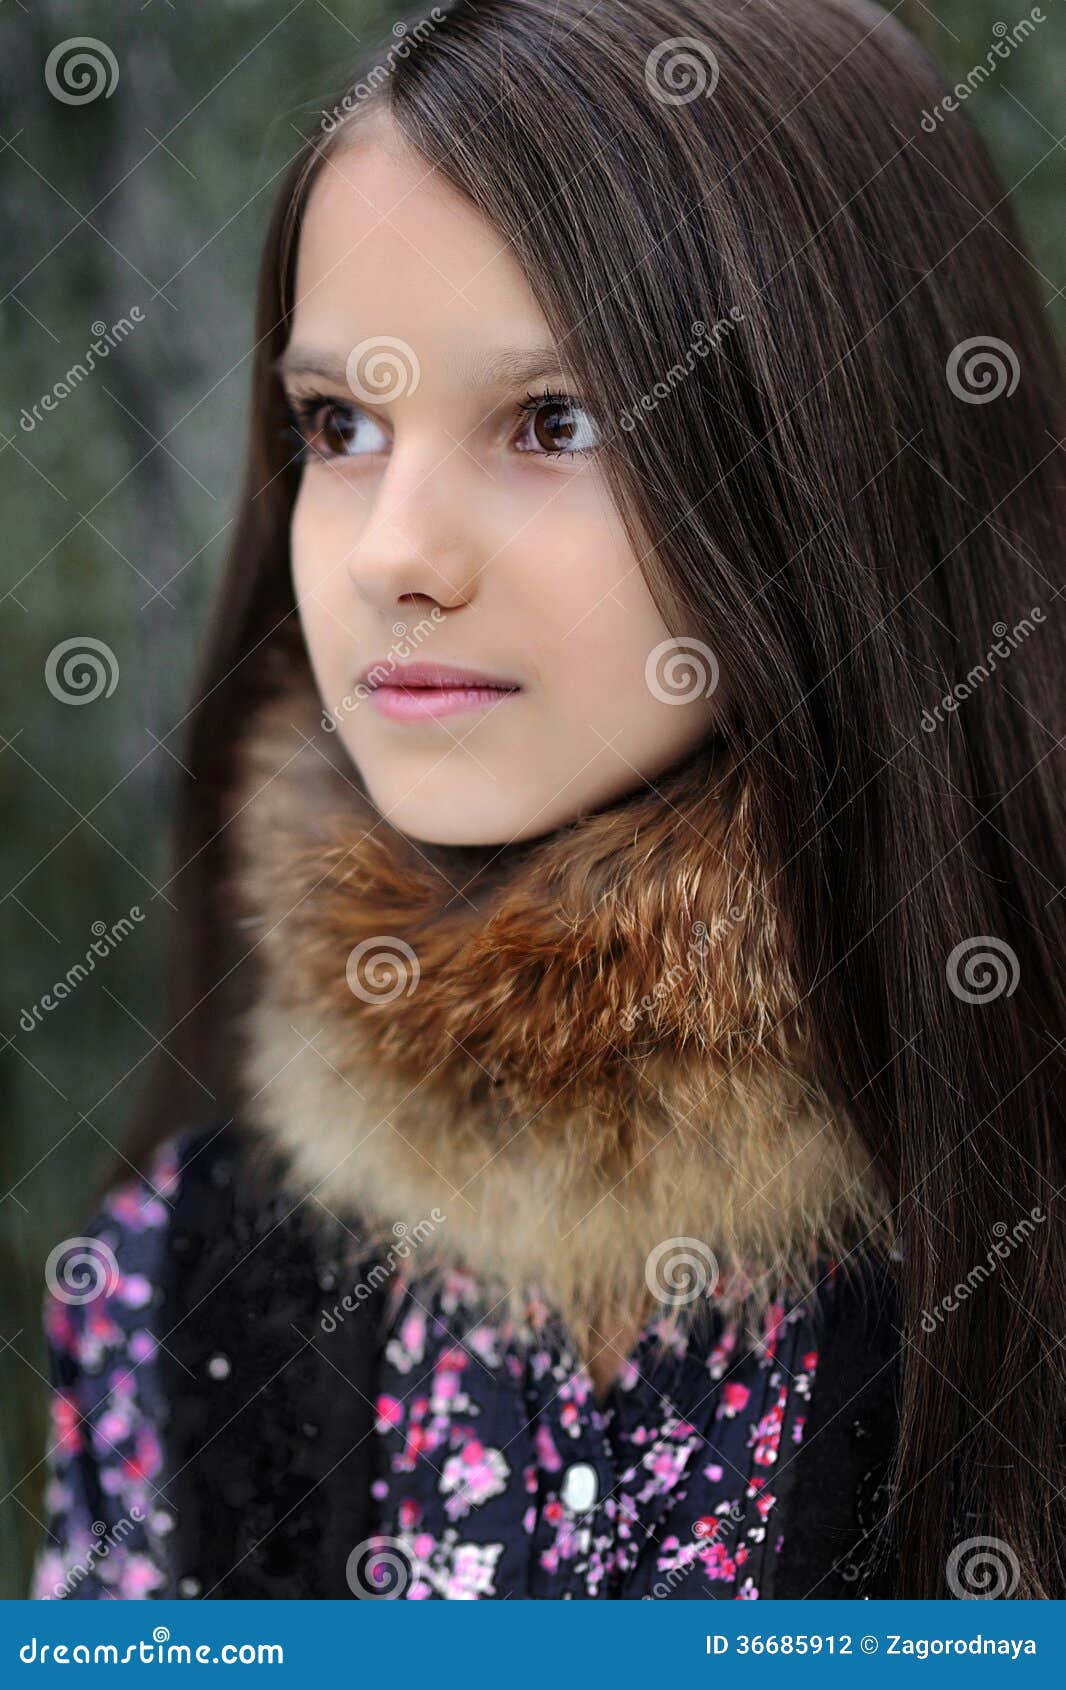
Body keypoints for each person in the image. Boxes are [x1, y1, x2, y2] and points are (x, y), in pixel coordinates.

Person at [30, 0, 1065, 1601]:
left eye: (552, 421)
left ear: (829, 447)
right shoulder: (181, 1283)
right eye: (339, 425)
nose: (391, 555)